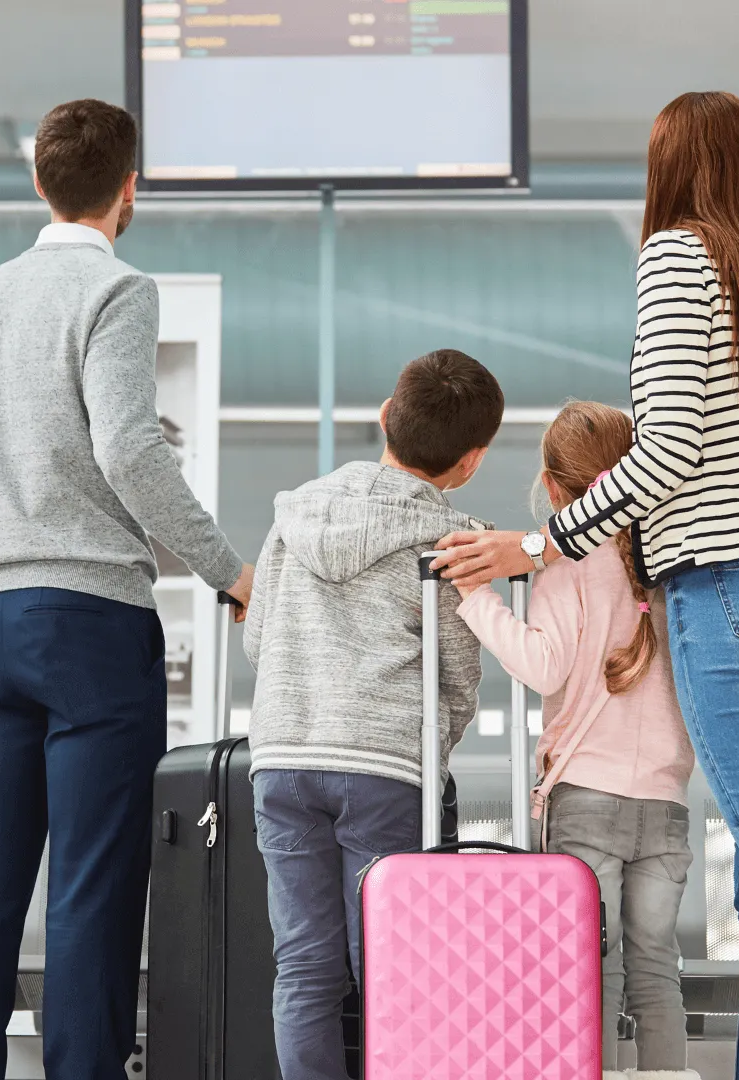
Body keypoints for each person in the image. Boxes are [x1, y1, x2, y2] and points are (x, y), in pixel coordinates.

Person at [433, 91, 739, 1080]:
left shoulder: (676, 263)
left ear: (674, 170)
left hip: (731, 597)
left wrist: (545, 544)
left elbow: (667, 448)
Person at [0, 98, 254, 1080]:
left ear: (38, 183)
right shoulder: (117, 291)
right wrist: (231, 572)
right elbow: (131, 450)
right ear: (129, 189)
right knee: (91, 889)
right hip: (94, 623)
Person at [242, 348, 503, 1080]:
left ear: (385, 416)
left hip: (284, 760)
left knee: (304, 968)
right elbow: (459, 674)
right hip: (385, 767)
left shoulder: (296, 514)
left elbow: (259, 637)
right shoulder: (454, 539)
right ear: (472, 461)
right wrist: (428, 751)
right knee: (392, 970)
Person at [453, 400, 697, 1080]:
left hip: (588, 795)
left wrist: (479, 600)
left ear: (555, 488)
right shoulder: (671, 565)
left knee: (591, 964)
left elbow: (544, 666)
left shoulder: (569, 561)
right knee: (655, 967)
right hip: (667, 802)